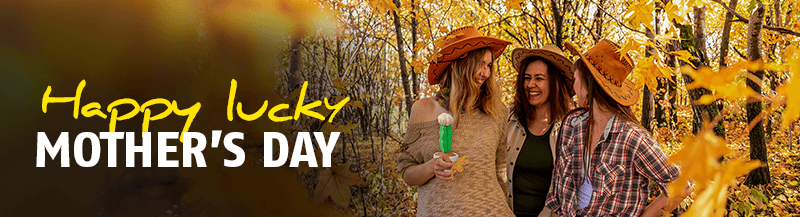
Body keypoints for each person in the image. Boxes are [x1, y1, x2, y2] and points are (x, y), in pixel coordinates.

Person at [544, 39, 688, 216]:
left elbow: (681, 185)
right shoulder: (572, 125)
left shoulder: (633, 139)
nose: (573, 87)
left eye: (575, 80)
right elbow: (560, 192)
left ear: (588, 84)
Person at [395, 26, 514, 216]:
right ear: (461, 64)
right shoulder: (423, 110)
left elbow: (501, 174)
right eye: (480, 64)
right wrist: (431, 167)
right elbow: (407, 172)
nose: (485, 73)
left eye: (489, 65)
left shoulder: (496, 111)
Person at [506, 45, 575, 217]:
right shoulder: (507, 119)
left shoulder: (570, 129)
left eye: (539, 78)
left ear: (554, 82)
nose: (530, 84)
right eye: (527, 78)